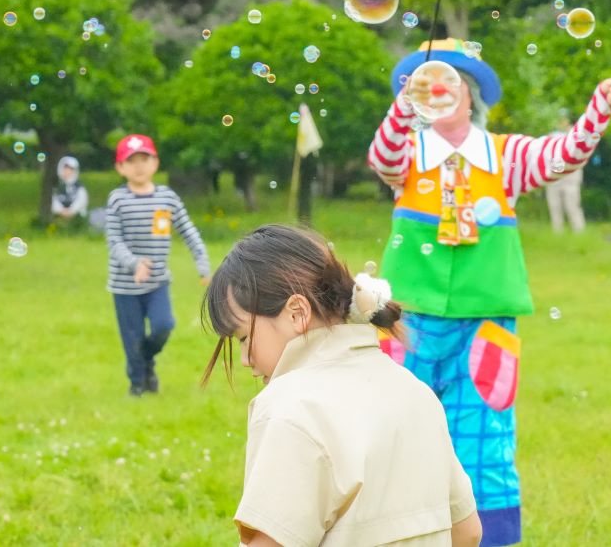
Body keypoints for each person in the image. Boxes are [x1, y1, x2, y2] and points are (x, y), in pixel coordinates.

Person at [367, 38, 611, 547]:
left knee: (486, 444)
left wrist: (600, 107)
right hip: (405, 321)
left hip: (486, 325)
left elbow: (564, 155)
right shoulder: (407, 152)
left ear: (472, 99)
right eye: (430, 83)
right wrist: (405, 106)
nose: (442, 91)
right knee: (394, 436)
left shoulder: (504, 155)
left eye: (454, 84)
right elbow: (383, 155)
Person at [201, 225, 482, 547]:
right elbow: (467, 531)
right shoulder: (414, 390)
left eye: (244, 338)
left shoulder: (290, 407)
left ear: (296, 313)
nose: (245, 360)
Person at [106, 134, 211, 397]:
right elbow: (114, 241)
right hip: (124, 285)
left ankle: (147, 359)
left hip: (157, 282)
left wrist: (203, 265)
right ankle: (138, 383)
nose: (139, 166)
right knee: (132, 338)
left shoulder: (167, 198)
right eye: (131, 161)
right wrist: (134, 264)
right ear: (120, 168)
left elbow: (188, 231)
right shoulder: (117, 199)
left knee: (164, 325)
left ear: (155, 163)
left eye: (144, 159)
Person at [544, 116, 586, 234]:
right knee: (554, 206)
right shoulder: (551, 135)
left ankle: (579, 232)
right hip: (554, 177)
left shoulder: (576, 134)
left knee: (572, 206)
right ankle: (558, 233)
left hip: (570, 177)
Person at [51, 155, 89, 221]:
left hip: (75, 216)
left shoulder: (78, 186)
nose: (67, 171)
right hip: (58, 216)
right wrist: (61, 210)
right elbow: (52, 200)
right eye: (65, 168)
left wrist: (71, 211)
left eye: (70, 169)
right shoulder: (57, 185)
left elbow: (82, 201)